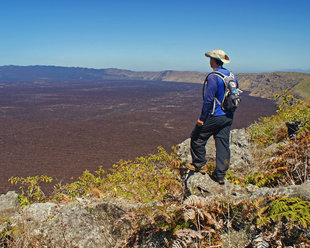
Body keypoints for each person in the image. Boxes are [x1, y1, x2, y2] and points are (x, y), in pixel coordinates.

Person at [189, 49, 238, 185]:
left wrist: (202, 119)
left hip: (215, 114)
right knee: (222, 143)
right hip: (228, 115)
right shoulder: (231, 75)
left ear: (214, 61)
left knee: (197, 137)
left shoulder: (213, 76)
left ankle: (200, 164)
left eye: (210, 58)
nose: (209, 61)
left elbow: (208, 99)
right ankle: (220, 175)